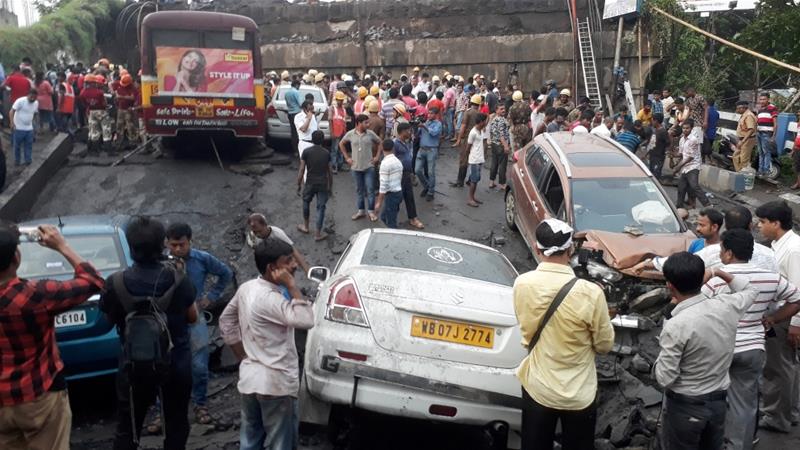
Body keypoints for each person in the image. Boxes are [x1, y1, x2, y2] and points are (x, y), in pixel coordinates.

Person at [0, 224, 104, 450]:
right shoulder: (35, 295)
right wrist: (62, 246)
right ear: (16, 258)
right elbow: (93, 280)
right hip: (38, 396)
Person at [513, 219, 614, 450]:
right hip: (579, 393)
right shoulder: (591, 293)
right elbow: (604, 345)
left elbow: (526, 326)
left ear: (537, 249)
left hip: (538, 387)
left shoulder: (522, 283)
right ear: (570, 250)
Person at [100, 216, 198, 450]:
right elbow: (192, 317)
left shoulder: (116, 282)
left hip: (134, 366)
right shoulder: (178, 279)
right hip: (176, 363)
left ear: (131, 248)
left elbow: (107, 321)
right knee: (176, 423)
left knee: (128, 426)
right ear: (162, 246)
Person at [700, 229, 800, 450]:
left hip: (720, 347)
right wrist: (773, 318)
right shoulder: (771, 277)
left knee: (712, 399)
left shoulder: (716, 279)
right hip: (753, 348)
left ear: (727, 253)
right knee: (744, 404)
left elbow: (699, 309)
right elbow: (796, 299)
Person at [654, 252, 757, 450]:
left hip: (685, 407)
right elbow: (750, 290)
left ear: (670, 285)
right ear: (701, 279)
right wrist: (718, 272)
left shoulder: (676, 325)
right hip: (718, 403)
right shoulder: (726, 305)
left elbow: (665, 378)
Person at [219, 238, 314, 450]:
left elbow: (226, 322)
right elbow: (306, 320)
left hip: (250, 381)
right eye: (288, 261)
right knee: (281, 444)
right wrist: (292, 286)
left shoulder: (247, 288)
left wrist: (242, 356)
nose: (294, 265)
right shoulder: (271, 299)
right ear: (272, 268)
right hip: (276, 385)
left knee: (250, 442)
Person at [165, 222, 233, 425]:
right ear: (166, 243)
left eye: (182, 245)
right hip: (167, 320)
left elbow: (225, 273)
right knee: (167, 366)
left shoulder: (202, 259)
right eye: (173, 245)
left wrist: (210, 297)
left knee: (199, 366)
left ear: (190, 242)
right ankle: (164, 411)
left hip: (195, 318)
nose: (177, 249)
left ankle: (200, 404)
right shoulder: (161, 263)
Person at [755, 201, 800, 433]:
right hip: (781, 315)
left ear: (776, 223)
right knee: (787, 366)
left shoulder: (793, 249)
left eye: (762, 222)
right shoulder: (778, 244)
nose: (759, 226)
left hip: (784, 317)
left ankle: (776, 417)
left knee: (777, 368)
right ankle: (789, 412)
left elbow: (798, 291)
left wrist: (795, 324)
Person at [340, 114, 382, 222]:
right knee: (359, 190)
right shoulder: (350, 134)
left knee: (370, 190)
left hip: (369, 167)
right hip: (355, 168)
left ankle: (371, 211)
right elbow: (341, 144)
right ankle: (361, 211)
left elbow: (380, 142)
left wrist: (377, 157)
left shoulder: (370, 134)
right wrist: (347, 157)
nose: (368, 124)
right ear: (359, 123)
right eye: (366, 123)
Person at [245, 213, 311, 276]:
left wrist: (306, 270)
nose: (257, 234)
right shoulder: (252, 238)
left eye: (260, 231)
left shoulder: (278, 233)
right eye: (255, 232)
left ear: (265, 225)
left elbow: (293, 250)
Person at [297, 130, 332, 241]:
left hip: (310, 182)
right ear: (323, 140)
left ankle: (306, 226)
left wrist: (298, 184)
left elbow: (302, 169)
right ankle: (317, 234)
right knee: (321, 207)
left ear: (312, 139)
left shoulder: (306, 152)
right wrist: (330, 187)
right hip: (322, 183)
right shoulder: (326, 153)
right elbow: (329, 172)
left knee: (306, 202)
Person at [393, 122, 424, 229]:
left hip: (407, 174)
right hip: (399, 176)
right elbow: (390, 160)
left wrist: (411, 173)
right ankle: (392, 221)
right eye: (408, 130)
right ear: (403, 132)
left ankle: (413, 218)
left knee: (409, 197)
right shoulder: (395, 144)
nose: (410, 132)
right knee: (397, 198)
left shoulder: (406, 142)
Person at [674, 119, 710, 210]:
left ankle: (708, 205)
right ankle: (679, 206)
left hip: (693, 166)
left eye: (687, 128)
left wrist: (678, 166)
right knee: (681, 187)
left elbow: (690, 157)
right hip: (685, 167)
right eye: (683, 128)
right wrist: (672, 154)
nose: (685, 130)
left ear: (691, 129)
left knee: (694, 186)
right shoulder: (682, 139)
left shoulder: (693, 139)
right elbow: (681, 153)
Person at [452, 94, 483, 187]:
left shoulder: (468, 112)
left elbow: (463, 126)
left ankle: (460, 181)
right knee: (474, 159)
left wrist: (458, 139)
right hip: (477, 138)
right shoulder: (480, 114)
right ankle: (471, 180)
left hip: (467, 137)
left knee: (464, 159)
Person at [79, 74, 112, 153]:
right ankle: (109, 150)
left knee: (94, 131)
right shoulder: (99, 92)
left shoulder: (82, 93)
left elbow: (83, 103)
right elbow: (104, 104)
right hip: (101, 111)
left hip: (91, 112)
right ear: (93, 83)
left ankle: (94, 150)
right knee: (106, 130)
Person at [375, 139, 404, 228]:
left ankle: (393, 236)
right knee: (385, 217)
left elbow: (383, 185)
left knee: (390, 221)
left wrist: (379, 202)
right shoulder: (398, 162)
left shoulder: (385, 164)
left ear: (381, 148)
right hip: (398, 193)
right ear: (393, 148)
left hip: (391, 195)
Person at [417, 107, 441, 201]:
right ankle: (426, 185)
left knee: (431, 172)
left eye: (431, 113)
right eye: (429, 113)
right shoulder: (425, 122)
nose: (429, 115)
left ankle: (431, 191)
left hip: (431, 150)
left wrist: (424, 126)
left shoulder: (438, 124)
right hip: (422, 149)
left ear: (436, 115)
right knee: (417, 170)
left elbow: (434, 133)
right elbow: (418, 134)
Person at [9, 89, 38, 166]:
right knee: (17, 146)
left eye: (34, 98)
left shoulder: (36, 103)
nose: (32, 99)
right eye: (31, 97)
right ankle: (17, 161)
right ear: (28, 95)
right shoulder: (20, 101)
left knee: (29, 145)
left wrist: (34, 125)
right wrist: (12, 123)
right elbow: (11, 111)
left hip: (29, 129)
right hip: (18, 128)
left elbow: (34, 114)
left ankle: (28, 160)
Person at [466, 113, 488, 208]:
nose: (485, 123)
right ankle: (470, 199)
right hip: (474, 159)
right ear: (481, 122)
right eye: (484, 121)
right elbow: (468, 147)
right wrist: (468, 158)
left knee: (476, 179)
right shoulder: (473, 132)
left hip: (479, 158)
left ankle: (473, 197)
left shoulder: (481, 130)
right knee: (474, 180)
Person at [488, 104, 511, 190]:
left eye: (504, 108)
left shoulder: (494, 119)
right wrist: (506, 146)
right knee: (502, 165)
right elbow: (502, 135)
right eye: (501, 109)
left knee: (494, 163)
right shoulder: (501, 120)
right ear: (496, 110)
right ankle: (502, 183)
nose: (503, 110)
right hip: (501, 145)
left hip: (494, 144)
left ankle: (491, 181)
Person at [755, 93, 778, 176]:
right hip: (759, 133)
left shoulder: (772, 108)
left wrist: (773, 136)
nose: (762, 101)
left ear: (768, 99)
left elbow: (775, 123)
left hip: (767, 133)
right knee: (760, 152)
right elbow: (757, 121)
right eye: (760, 99)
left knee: (766, 152)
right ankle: (760, 170)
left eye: (764, 99)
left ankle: (766, 170)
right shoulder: (760, 109)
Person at [114, 74, 138, 149]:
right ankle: (119, 142)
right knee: (119, 126)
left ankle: (133, 141)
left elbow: (132, 97)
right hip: (121, 108)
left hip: (129, 109)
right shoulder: (119, 86)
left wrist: (121, 97)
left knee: (130, 126)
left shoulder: (133, 88)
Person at [734, 101, 757, 173]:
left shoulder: (749, 116)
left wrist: (743, 141)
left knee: (744, 159)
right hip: (742, 139)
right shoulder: (745, 115)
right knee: (736, 156)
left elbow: (751, 130)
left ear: (742, 108)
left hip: (747, 139)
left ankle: (743, 176)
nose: (737, 110)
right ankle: (739, 172)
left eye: (738, 109)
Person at [329, 91, 348, 174]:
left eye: (341, 100)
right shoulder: (332, 108)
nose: (340, 101)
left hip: (342, 133)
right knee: (334, 150)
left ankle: (339, 166)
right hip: (336, 133)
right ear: (336, 99)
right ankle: (334, 166)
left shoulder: (343, 109)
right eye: (339, 100)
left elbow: (344, 121)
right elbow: (330, 120)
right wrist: (331, 132)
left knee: (341, 150)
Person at [648, 113, 669, 179]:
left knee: (655, 176)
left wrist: (667, 153)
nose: (652, 122)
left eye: (652, 120)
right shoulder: (655, 131)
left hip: (658, 158)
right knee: (651, 175)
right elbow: (652, 144)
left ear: (656, 121)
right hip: (652, 157)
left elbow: (668, 143)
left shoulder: (663, 131)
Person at [285, 79, 303, 153]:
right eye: (299, 86)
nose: (299, 87)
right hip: (297, 113)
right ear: (296, 85)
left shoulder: (287, 93)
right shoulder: (296, 92)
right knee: (299, 132)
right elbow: (301, 104)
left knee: (293, 132)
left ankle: (295, 150)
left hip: (290, 114)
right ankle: (300, 150)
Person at [56, 72, 75, 136]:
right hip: (70, 109)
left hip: (63, 109)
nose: (58, 78)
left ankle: (70, 137)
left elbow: (62, 96)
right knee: (67, 124)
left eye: (59, 76)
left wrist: (58, 107)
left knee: (64, 126)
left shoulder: (62, 85)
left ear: (64, 78)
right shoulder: (70, 86)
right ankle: (71, 136)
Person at [703, 98, 719, 163]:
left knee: (703, 147)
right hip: (713, 132)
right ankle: (710, 160)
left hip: (706, 132)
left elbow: (705, 122)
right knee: (709, 147)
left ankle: (704, 160)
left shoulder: (706, 111)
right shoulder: (716, 113)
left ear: (706, 103)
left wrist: (703, 131)